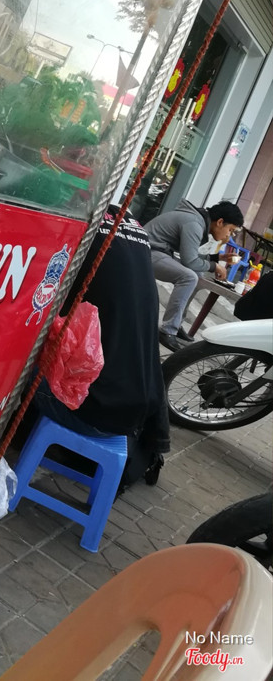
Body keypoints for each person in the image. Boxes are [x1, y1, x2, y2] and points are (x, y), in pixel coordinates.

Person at [30, 205, 170, 489]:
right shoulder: (131, 225)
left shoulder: (74, 226)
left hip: (95, 414)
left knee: (16, 359)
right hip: (136, 412)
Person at [143, 199, 244, 351]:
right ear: (220, 222)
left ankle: (176, 323)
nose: (229, 235)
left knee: (197, 274)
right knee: (189, 277)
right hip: (144, 252)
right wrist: (215, 266)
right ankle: (168, 330)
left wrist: (219, 258)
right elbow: (190, 261)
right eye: (230, 230)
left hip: (158, 251)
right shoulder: (194, 224)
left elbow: (190, 256)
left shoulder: (197, 221)